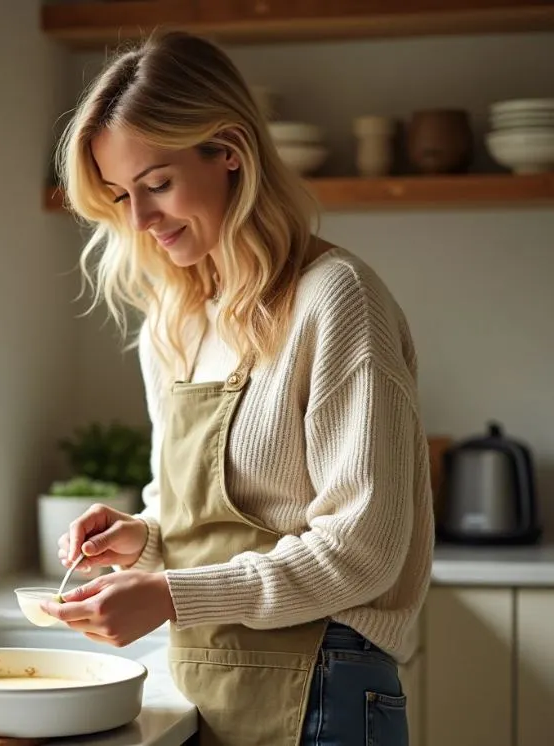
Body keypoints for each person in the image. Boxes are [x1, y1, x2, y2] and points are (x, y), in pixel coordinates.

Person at [40, 29, 434, 746]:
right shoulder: (175, 317)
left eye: (156, 184)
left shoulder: (335, 297)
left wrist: (168, 594)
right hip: (207, 683)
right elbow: (202, 527)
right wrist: (141, 543)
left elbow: (362, 550)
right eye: (121, 194)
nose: (138, 220)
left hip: (326, 687)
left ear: (229, 152)